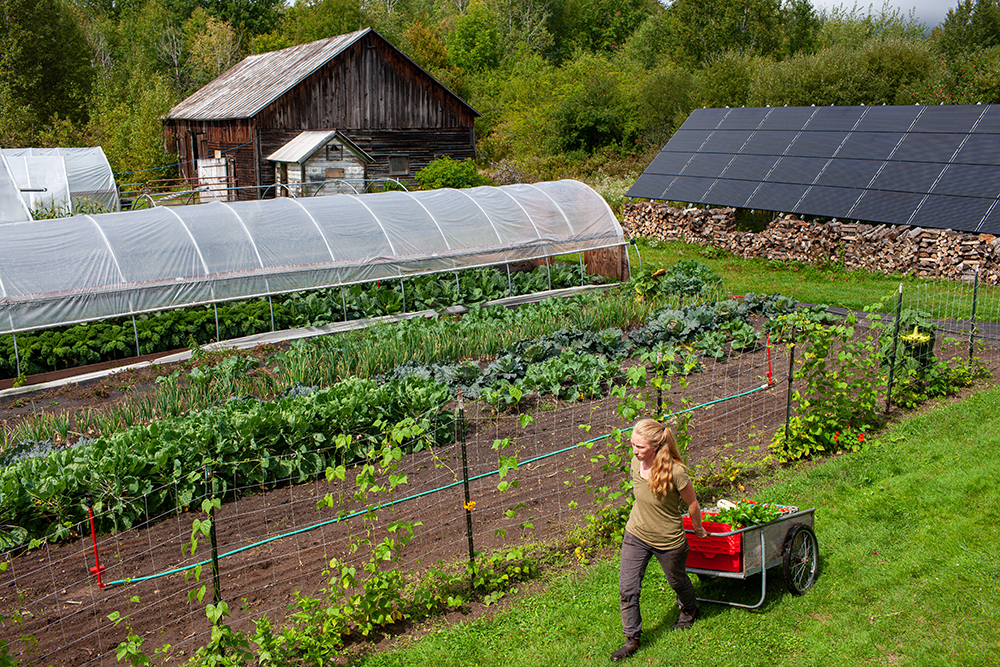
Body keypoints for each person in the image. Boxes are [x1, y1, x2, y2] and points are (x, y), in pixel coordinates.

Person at [611, 418, 708, 661]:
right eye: (632, 445)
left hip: (668, 540)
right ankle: (631, 639)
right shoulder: (636, 463)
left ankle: (689, 609)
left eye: (640, 447)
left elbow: (693, 504)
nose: (634, 451)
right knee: (628, 588)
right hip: (636, 534)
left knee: (677, 581)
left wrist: (698, 529)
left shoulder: (676, 472)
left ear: (655, 446)